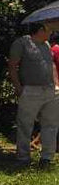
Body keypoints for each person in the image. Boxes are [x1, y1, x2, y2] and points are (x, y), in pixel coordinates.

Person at [8, 22, 59, 166]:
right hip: (30, 89)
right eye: (49, 29)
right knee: (25, 124)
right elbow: (12, 65)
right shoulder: (22, 43)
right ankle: (23, 157)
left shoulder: (47, 45)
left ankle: (46, 158)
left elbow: (51, 65)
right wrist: (18, 87)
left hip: (50, 90)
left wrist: (57, 85)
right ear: (41, 29)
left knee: (51, 124)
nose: (52, 32)